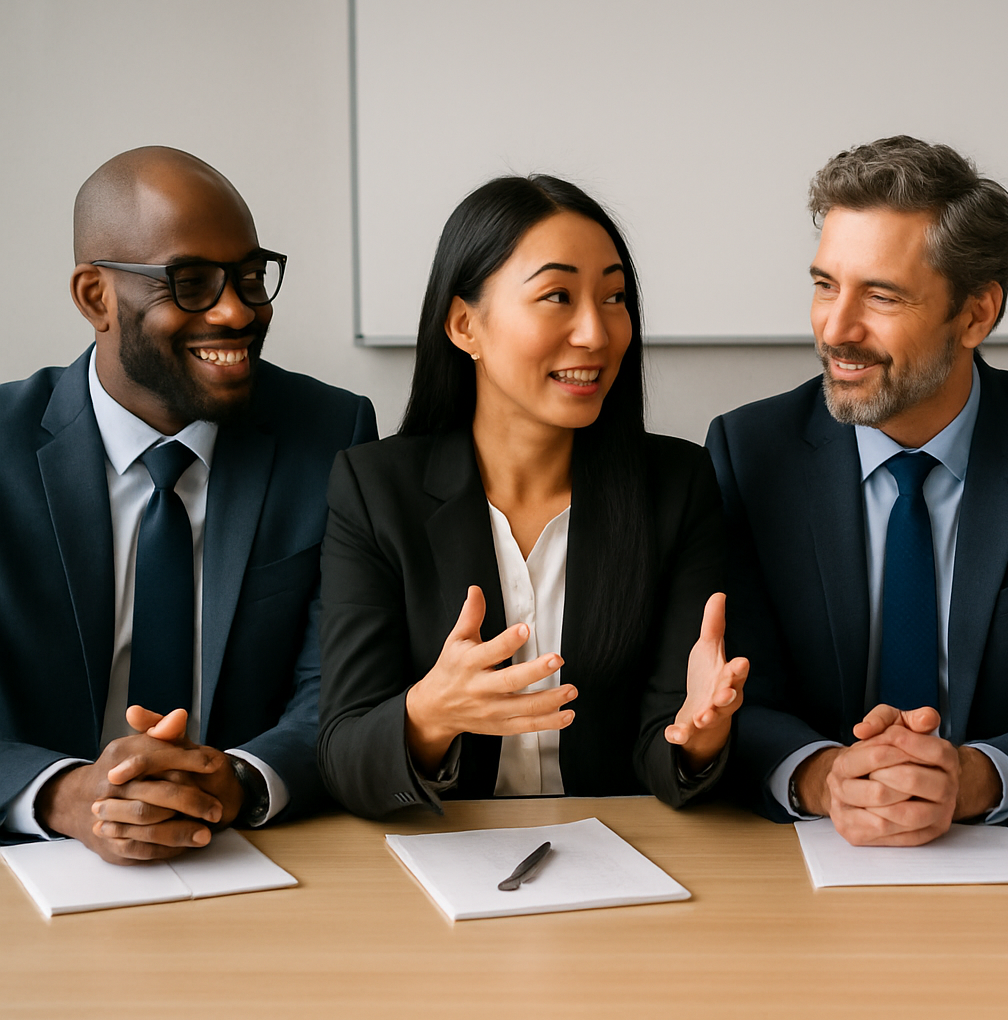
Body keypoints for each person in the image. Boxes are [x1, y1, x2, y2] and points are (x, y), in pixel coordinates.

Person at [707, 136, 1008, 846]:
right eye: (825, 285)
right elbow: (737, 693)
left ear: (976, 313)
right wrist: (825, 777)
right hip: (804, 856)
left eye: (880, 295)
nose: (837, 329)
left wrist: (968, 778)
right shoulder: (749, 452)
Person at [318, 175, 748, 816]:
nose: (596, 335)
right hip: (443, 861)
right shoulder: (376, 489)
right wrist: (428, 716)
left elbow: (668, 743)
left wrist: (698, 740)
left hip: (621, 856)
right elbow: (343, 752)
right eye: (557, 296)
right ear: (465, 325)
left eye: (612, 298)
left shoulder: (676, 485)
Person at [0, 146, 377, 863]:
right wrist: (60, 794)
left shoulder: (329, 434)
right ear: (95, 297)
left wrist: (236, 780)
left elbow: (340, 687)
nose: (236, 310)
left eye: (248, 277)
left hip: (248, 850)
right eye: (190, 282)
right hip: (34, 863)